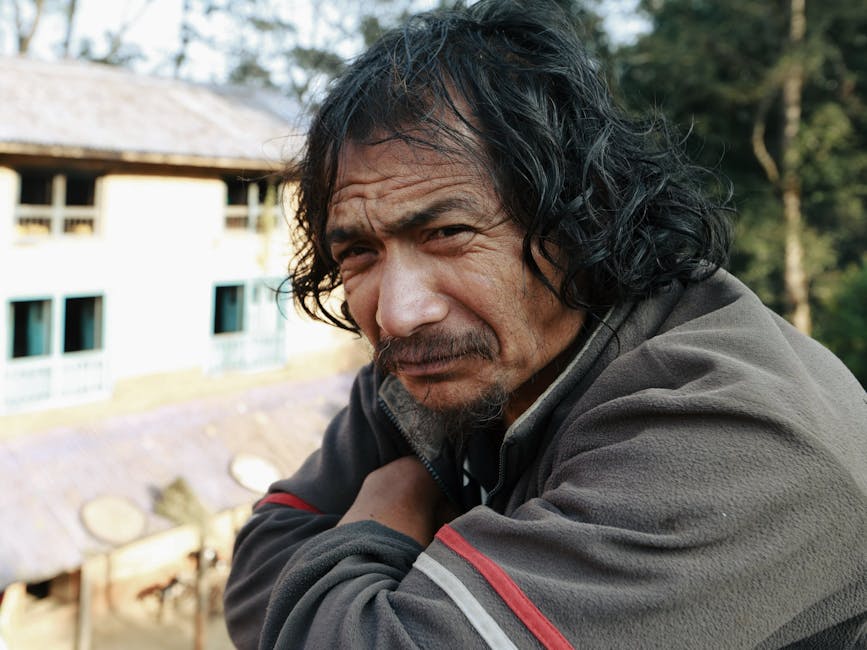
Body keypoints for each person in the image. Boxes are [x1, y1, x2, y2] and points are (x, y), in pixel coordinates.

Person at [224, 1, 867, 648]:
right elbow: (257, 580)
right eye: (360, 252)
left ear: (582, 218)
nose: (396, 313)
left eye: (447, 232)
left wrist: (387, 509)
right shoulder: (448, 362)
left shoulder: (726, 437)